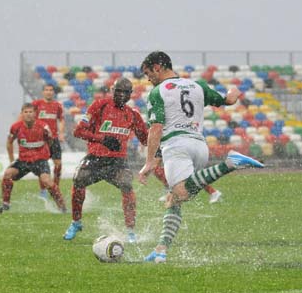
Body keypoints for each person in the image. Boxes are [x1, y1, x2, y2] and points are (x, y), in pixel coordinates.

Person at [138, 51, 264, 263]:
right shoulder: (197, 86)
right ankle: (161, 250)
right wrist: (233, 92)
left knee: (180, 192)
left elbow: (156, 128)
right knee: (174, 199)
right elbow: (228, 100)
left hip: (176, 146)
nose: (147, 78)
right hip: (199, 147)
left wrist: (150, 161)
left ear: (158, 67)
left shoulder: (158, 92)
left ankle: (230, 164)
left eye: (148, 72)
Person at [63, 77, 148, 243]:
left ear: (130, 95)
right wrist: (102, 139)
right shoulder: (99, 106)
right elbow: (78, 131)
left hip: (117, 161)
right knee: (78, 180)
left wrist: (158, 131)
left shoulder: (133, 115)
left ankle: (130, 231)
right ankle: (76, 222)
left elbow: (145, 139)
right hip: (95, 158)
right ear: (112, 91)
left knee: (127, 187)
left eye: (126, 92)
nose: (122, 95)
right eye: (118, 91)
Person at [0, 103, 66, 214]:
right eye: (26, 112)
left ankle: (62, 207)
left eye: (30, 112)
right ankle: (5, 204)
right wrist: (12, 160)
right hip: (23, 161)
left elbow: (51, 141)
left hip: (40, 161)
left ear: (35, 114)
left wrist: (45, 154)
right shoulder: (15, 127)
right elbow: (9, 143)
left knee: (47, 182)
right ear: (22, 114)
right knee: (8, 174)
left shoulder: (43, 127)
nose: (28, 114)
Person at [153, 148, 223, 204]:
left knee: (190, 175)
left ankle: (213, 192)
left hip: (177, 144)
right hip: (166, 143)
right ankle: (170, 191)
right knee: (156, 169)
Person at [32, 84, 65, 199]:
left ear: (53, 92)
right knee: (42, 167)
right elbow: (28, 118)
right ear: (43, 92)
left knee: (58, 165)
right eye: (46, 90)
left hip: (54, 139)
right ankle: (43, 191)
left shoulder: (57, 105)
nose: (49, 92)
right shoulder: (37, 104)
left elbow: (61, 120)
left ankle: (56, 188)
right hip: (41, 140)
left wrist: (61, 133)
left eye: (51, 90)